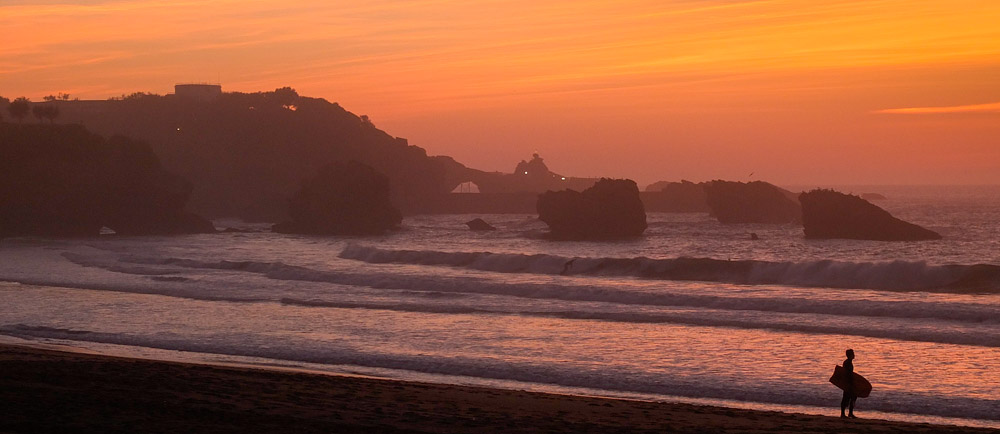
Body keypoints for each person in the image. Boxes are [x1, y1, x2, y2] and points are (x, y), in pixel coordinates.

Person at [841, 349, 857, 418]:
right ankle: (843, 414)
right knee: (847, 398)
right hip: (848, 383)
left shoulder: (848, 362)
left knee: (852, 397)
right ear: (850, 355)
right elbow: (847, 374)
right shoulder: (847, 363)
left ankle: (849, 413)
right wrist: (850, 384)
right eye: (853, 353)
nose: (854, 355)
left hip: (848, 383)